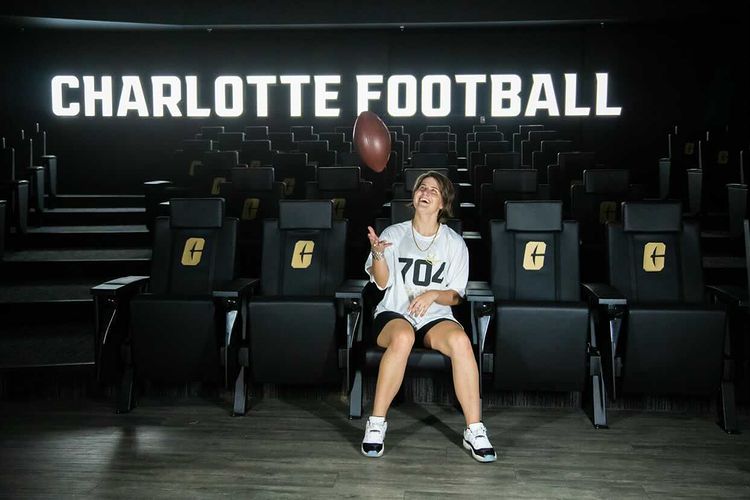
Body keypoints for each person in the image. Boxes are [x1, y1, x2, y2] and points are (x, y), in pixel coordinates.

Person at [361, 170, 496, 463]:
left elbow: (456, 295)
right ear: (414, 196)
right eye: (422, 188)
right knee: (403, 336)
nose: (425, 192)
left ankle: (475, 429)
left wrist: (433, 294)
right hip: (396, 312)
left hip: (435, 316)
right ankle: (376, 424)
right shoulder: (393, 234)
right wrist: (378, 255)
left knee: (461, 341)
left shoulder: (454, 243)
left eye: (433, 191)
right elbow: (381, 283)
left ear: (443, 203)